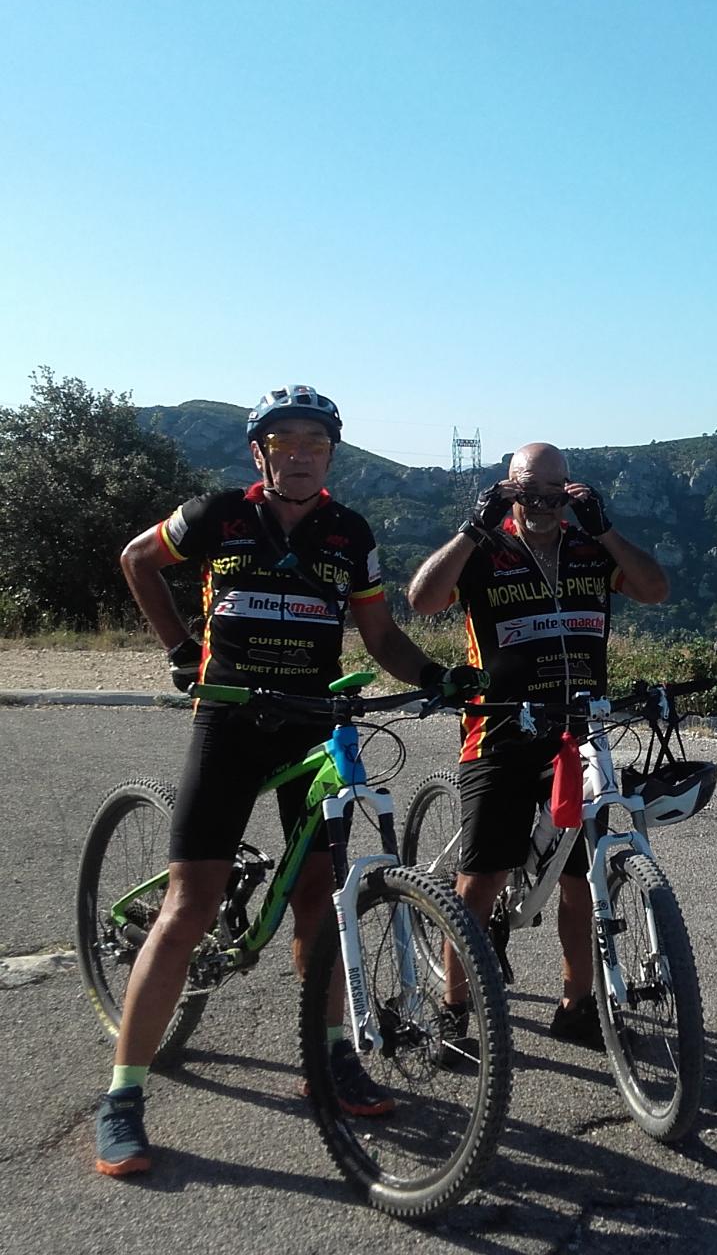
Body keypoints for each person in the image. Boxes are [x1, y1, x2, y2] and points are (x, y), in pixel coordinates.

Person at [95, 385, 477, 1177]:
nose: (299, 455)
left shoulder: (349, 533)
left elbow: (380, 635)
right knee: (190, 905)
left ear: (330, 455)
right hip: (229, 719)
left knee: (319, 898)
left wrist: (438, 677)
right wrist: (180, 649)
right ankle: (123, 1095)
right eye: (284, 442)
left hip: (312, 721)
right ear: (259, 452)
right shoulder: (216, 515)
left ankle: (329, 1057)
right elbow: (138, 560)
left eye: (314, 443)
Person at [407, 443, 669, 1049]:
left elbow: (655, 589)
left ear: (571, 491)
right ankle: (453, 1009)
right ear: (509, 490)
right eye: (529, 491)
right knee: (482, 879)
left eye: (556, 491)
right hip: (499, 730)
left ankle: (576, 1005)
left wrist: (604, 528)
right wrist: (473, 526)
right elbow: (422, 600)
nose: (543, 503)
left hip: (576, 735)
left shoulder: (589, 549)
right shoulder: (485, 549)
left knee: (582, 878)